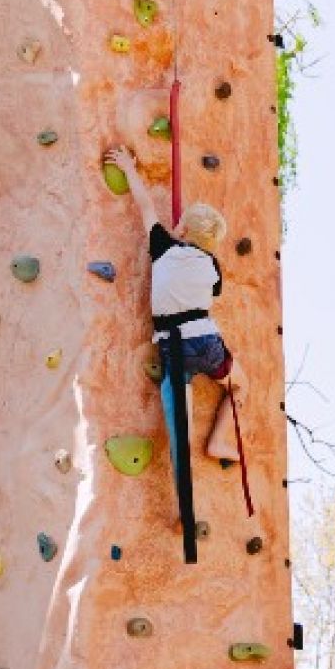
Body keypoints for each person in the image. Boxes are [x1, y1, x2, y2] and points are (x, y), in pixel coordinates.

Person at [103, 144, 245, 481]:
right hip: (206, 344)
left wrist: (127, 167)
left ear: (180, 231)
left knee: (180, 436)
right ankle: (220, 441)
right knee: (241, 387)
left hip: (173, 349)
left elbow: (145, 205)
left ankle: (186, 502)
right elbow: (211, 295)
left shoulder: (163, 247)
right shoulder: (212, 266)